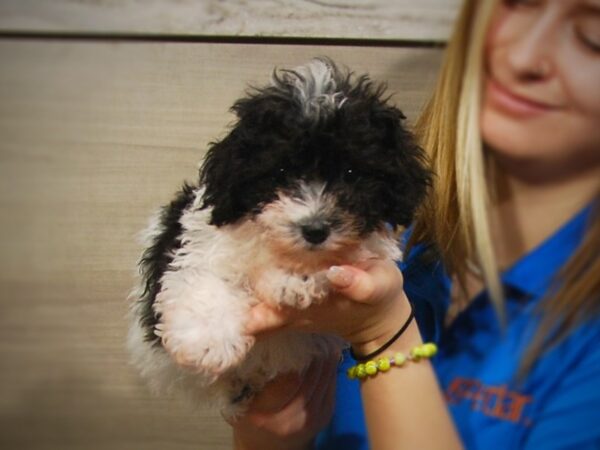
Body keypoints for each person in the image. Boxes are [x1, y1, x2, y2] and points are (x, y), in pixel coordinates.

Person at [230, 0, 600, 448]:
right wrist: (271, 431)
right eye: (517, 4)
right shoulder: (379, 230)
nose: (522, 57)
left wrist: (383, 333)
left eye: (591, 36)